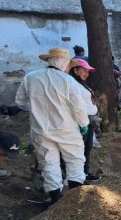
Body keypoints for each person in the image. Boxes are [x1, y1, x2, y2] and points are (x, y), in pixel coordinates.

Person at [15, 47, 89, 204]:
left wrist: (36, 109)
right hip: (67, 129)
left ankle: (55, 201)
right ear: (63, 63)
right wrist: (84, 124)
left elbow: (20, 102)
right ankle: (75, 201)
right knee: (75, 161)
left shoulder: (30, 78)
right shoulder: (68, 81)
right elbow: (78, 107)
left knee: (49, 164)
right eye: (68, 64)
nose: (68, 67)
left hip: (40, 130)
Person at [69, 59, 101, 182]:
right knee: (80, 149)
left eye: (87, 71)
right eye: (83, 70)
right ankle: (77, 176)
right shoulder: (73, 84)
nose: (86, 73)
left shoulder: (82, 84)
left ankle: (85, 172)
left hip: (89, 121)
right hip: (81, 121)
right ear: (75, 70)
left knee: (87, 147)